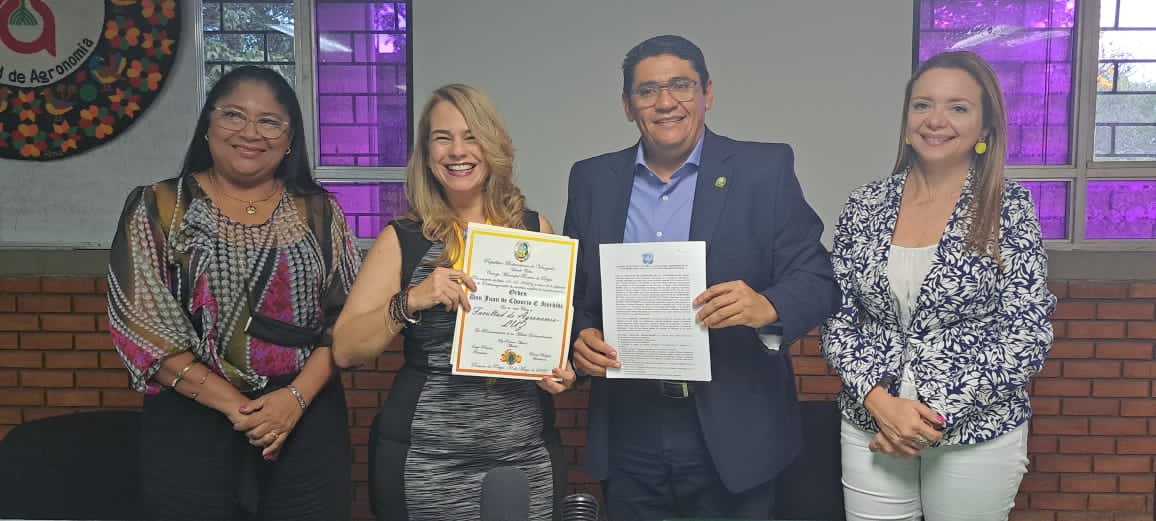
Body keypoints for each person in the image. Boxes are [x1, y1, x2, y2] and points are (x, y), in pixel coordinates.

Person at [564, 35, 839, 520]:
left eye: (681, 85)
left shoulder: (763, 169)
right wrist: (579, 337)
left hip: (734, 430)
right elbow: (579, 294)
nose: (665, 101)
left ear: (707, 92)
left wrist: (768, 306)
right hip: (630, 427)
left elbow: (818, 277)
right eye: (647, 91)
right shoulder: (591, 180)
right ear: (627, 106)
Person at [107, 65, 361, 521]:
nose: (250, 132)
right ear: (207, 125)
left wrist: (293, 401)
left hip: (306, 420)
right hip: (192, 423)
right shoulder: (157, 207)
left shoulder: (322, 212)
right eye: (233, 115)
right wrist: (243, 409)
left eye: (269, 121)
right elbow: (142, 325)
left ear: (290, 139)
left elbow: (347, 320)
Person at [820, 51, 1057, 521]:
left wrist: (926, 415)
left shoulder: (1009, 207)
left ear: (985, 127)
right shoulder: (865, 203)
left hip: (976, 431)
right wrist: (881, 404)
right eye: (922, 105)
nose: (935, 120)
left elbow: (1028, 334)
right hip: (873, 422)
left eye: (958, 107)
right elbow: (835, 316)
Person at [332, 83, 576, 521]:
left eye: (471, 136)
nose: (457, 151)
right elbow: (346, 349)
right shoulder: (402, 239)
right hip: (429, 460)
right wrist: (414, 299)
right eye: (442, 138)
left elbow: (544, 337)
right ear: (427, 155)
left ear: (493, 146)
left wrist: (557, 370)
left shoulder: (534, 229)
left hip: (523, 455)